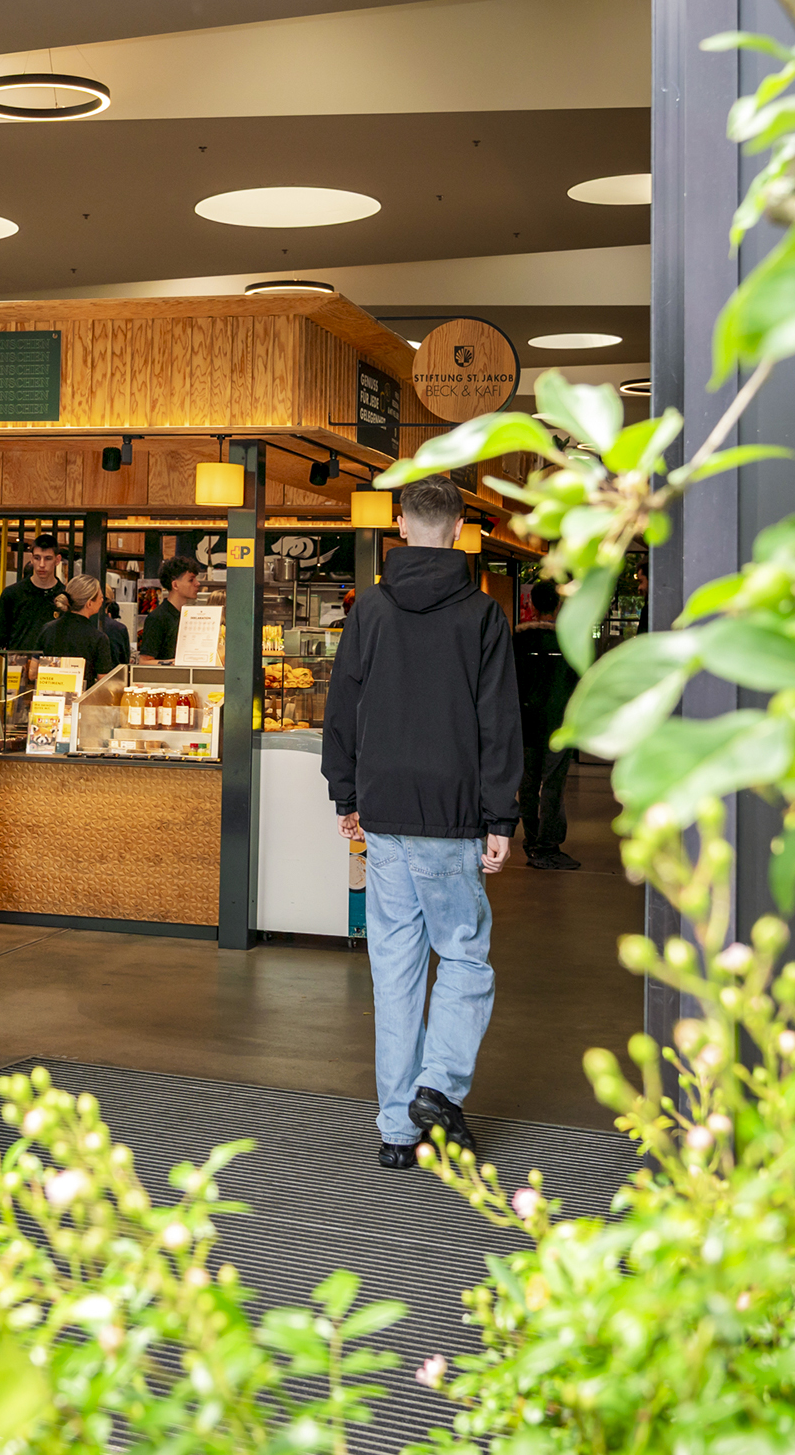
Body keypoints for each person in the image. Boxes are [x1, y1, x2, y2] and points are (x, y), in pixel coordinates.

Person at [322, 475, 520, 1169]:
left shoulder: (370, 609)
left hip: (383, 809)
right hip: (452, 813)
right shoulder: (483, 615)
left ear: (401, 525)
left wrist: (344, 793)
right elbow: (499, 721)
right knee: (462, 955)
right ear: (461, 528)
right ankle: (437, 1086)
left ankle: (396, 1131)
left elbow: (342, 705)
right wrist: (501, 814)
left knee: (395, 967)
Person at [512, 580, 581, 869]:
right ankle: (548, 845)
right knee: (552, 785)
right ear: (559, 605)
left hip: (526, 724)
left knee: (528, 784)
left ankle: (531, 840)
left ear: (532, 605)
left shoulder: (518, 641)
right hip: (558, 725)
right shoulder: (569, 641)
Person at [36, 572, 128, 686]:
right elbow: (103, 682)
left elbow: (33, 672)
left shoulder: (47, 629)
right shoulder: (98, 638)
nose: (102, 600)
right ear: (89, 603)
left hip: (48, 693)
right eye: (100, 597)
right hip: (83, 696)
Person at [0, 534, 69, 653]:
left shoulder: (66, 596)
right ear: (31, 559)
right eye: (37, 558)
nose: (41, 564)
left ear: (57, 560)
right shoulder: (12, 594)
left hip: (55, 663)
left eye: (48, 558)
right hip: (19, 662)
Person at [139, 558, 201, 662]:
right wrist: (176, 663)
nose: (197, 583)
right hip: (168, 672)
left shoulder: (189, 616)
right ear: (175, 585)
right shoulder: (157, 618)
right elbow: (144, 662)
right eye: (191, 580)